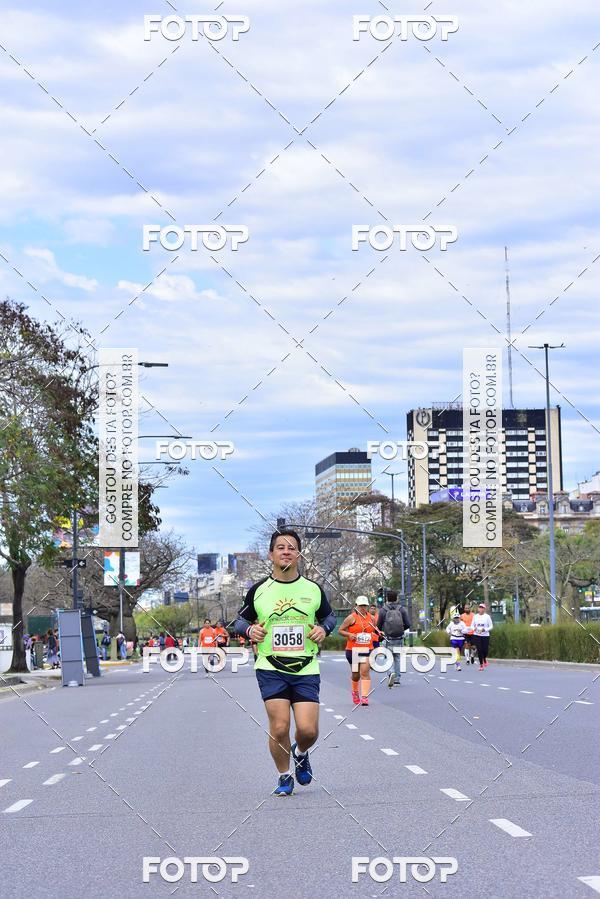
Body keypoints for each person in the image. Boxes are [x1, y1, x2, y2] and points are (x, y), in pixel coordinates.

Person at [234, 529, 335, 797]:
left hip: (305, 667)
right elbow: (239, 621)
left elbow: (330, 618)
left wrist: (324, 630)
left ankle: (300, 752)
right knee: (279, 727)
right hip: (271, 666)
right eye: (280, 547)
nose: (286, 551)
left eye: (292, 547)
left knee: (308, 730)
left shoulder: (313, 589)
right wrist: (249, 631)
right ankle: (283, 775)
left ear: (299, 554)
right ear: (271, 555)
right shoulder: (258, 591)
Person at [338, 596, 379, 706]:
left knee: (365, 672)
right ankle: (355, 692)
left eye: (364, 606)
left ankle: (365, 696)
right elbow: (340, 630)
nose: (362, 608)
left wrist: (379, 633)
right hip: (353, 650)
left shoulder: (372, 618)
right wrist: (349, 634)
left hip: (367, 649)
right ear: (356, 606)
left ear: (367, 606)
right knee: (356, 675)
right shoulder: (351, 618)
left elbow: (374, 631)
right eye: (360, 606)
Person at [377, 589, 411, 687]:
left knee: (388, 657)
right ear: (396, 598)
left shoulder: (383, 610)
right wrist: (401, 629)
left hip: (387, 638)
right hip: (399, 638)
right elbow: (408, 624)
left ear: (387, 598)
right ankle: (397, 679)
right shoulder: (402, 609)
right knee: (397, 658)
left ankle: (390, 673)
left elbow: (378, 626)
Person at [471, 603, 493, 669]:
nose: (480, 609)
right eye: (480, 607)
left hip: (485, 635)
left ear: (484, 609)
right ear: (478, 609)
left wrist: (485, 629)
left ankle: (484, 659)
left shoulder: (487, 617)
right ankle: (481, 665)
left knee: (485, 650)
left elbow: (491, 626)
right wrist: (474, 628)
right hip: (477, 635)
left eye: (482, 608)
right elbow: (472, 625)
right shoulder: (475, 616)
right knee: (479, 649)